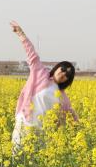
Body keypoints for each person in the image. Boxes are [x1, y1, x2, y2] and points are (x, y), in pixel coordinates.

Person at [9, 21, 78, 149]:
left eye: (67, 75)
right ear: (57, 67)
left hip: (42, 132)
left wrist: (78, 134)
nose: (63, 74)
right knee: (17, 156)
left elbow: (70, 114)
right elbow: (32, 55)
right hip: (25, 123)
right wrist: (21, 34)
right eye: (63, 69)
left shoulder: (63, 97)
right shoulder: (40, 73)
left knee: (35, 164)